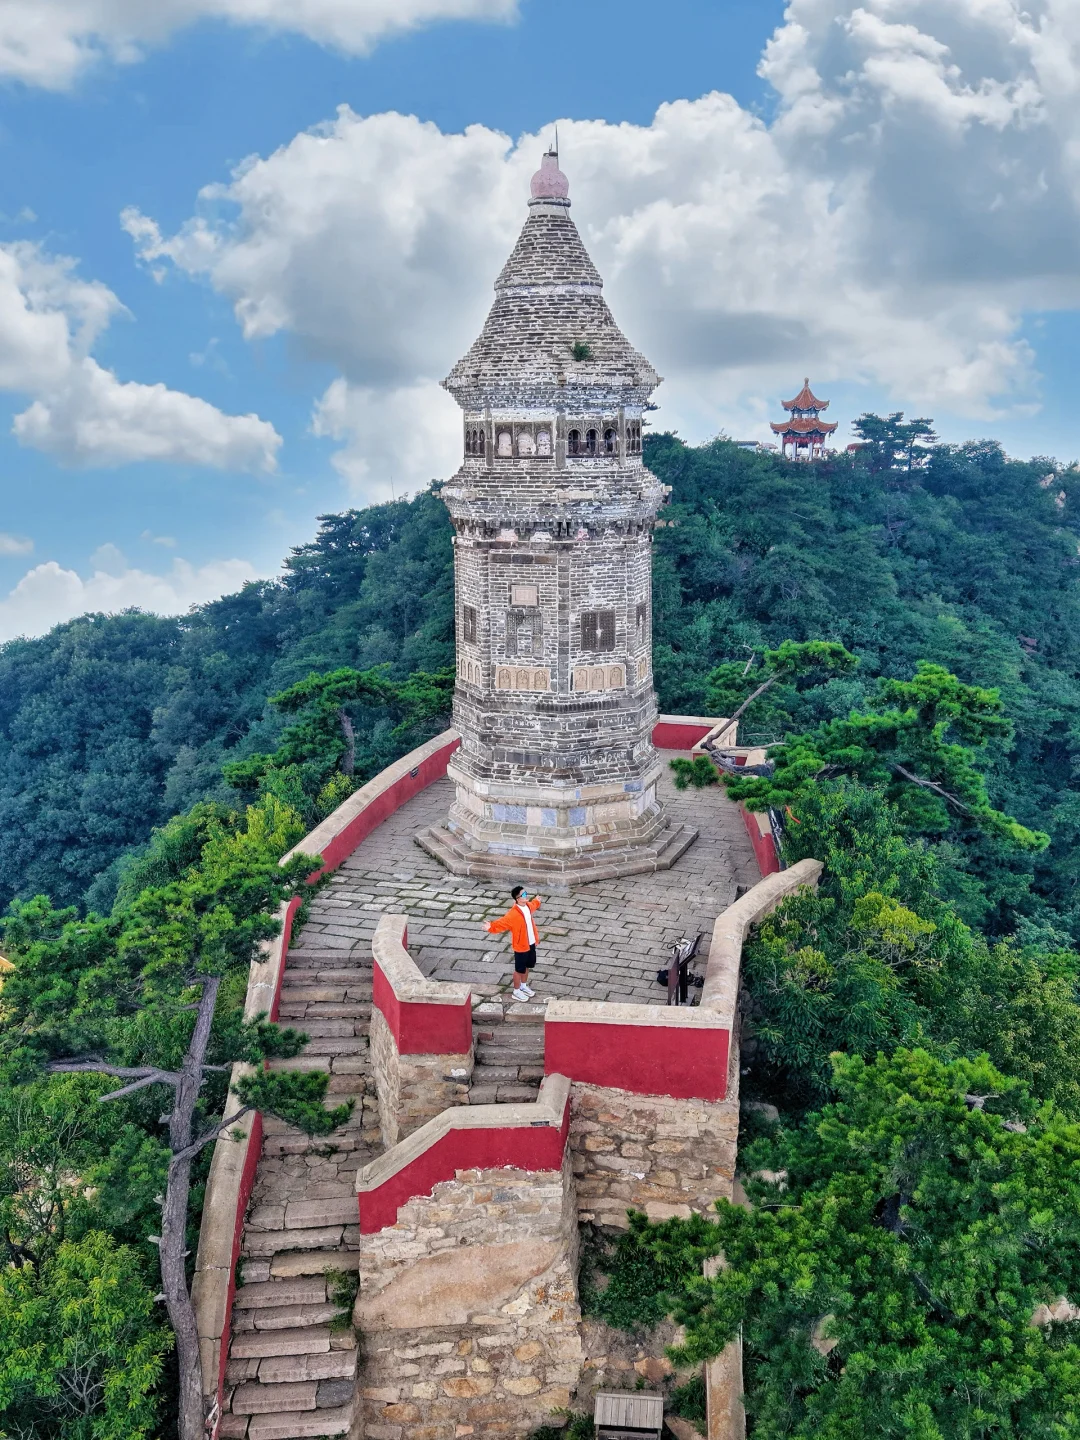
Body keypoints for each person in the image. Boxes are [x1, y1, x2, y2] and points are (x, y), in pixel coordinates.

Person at [486, 885, 542, 1002]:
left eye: (526, 893)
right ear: (518, 898)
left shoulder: (528, 906)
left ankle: (523, 986)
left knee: (528, 966)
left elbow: (534, 905)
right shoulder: (512, 914)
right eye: (524, 895)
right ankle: (516, 991)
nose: (527, 896)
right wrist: (491, 927)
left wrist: (537, 901)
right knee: (519, 969)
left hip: (531, 943)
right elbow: (502, 923)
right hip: (521, 946)